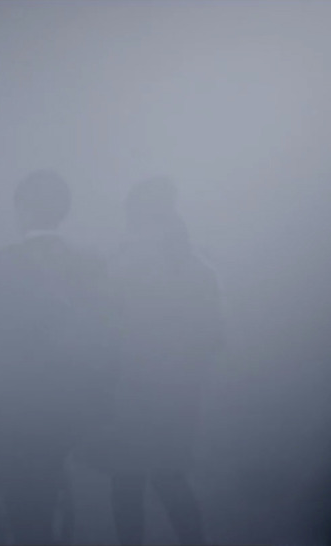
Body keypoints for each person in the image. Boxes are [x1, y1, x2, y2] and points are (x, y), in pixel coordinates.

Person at [0, 170, 115, 544]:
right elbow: (104, 329)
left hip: (16, 401)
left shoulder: (0, 263)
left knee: (24, 488)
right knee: (41, 479)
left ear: (22, 209)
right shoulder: (90, 263)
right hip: (73, 399)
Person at [91, 178, 223, 545]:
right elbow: (215, 339)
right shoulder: (200, 269)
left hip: (129, 396)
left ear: (138, 220)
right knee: (170, 479)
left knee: (126, 485)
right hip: (179, 397)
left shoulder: (121, 269)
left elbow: (101, 333)